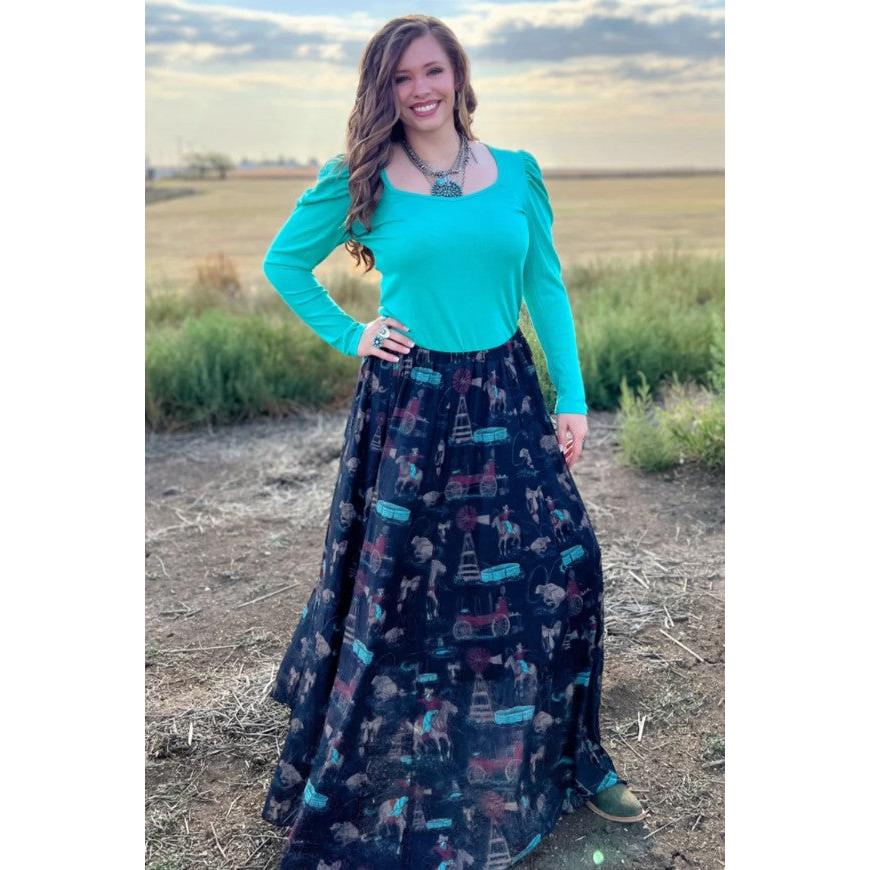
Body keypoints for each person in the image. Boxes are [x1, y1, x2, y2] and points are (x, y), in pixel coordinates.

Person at [259, 14, 645, 869]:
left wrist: (573, 398)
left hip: (506, 390)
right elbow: (283, 264)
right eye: (400, 78)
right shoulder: (358, 179)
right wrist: (353, 334)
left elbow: (545, 285)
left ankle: (570, 755)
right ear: (382, 92)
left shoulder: (517, 172)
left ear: (458, 76)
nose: (419, 90)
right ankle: (421, 771)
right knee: (410, 602)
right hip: (413, 402)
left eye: (431, 71)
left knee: (570, 564)